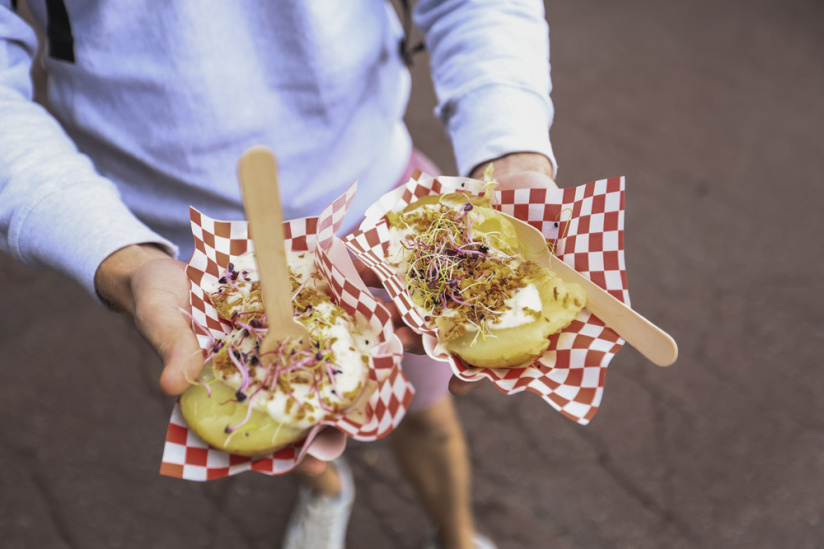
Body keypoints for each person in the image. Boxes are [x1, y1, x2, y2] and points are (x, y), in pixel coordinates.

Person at [0, 1, 559, 548]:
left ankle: (457, 534)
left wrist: (511, 149)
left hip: (378, 209)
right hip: (192, 264)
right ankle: (327, 490)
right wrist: (123, 258)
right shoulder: (168, 271)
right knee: (278, 424)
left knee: (427, 412)